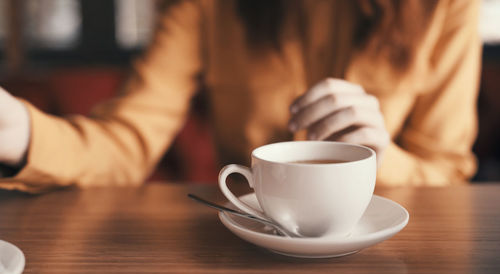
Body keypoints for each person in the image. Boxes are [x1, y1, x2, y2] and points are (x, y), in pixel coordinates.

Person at [0, 0, 481, 193]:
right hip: (248, 250)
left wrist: (383, 159)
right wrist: (17, 129)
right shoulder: (207, 6)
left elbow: (446, 171)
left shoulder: (448, 7)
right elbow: (125, 143)